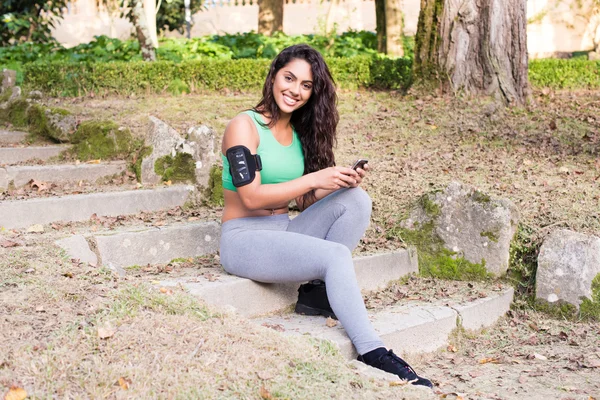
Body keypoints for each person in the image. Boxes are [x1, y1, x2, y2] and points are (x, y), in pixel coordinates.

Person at [218, 44, 432, 388]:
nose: (295, 90)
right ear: (274, 75)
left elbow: (302, 200)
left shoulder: (296, 134)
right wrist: (315, 178)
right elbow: (251, 195)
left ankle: (317, 295)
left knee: (356, 200)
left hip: (282, 231)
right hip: (244, 240)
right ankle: (371, 351)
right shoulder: (244, 126)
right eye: (289, 78)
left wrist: (335, 183)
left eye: (306, 85)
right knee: (335, 255)